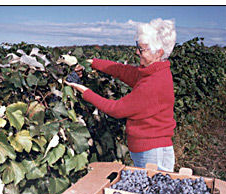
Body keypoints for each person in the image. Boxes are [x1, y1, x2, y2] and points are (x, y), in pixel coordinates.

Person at [66, 18, 177, 171]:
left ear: (159, 52)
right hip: (147, 150)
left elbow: (116, 109)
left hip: (153, 154)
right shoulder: (152, 72)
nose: (137, 52)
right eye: (138, 47)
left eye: (142, 49)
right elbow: (122, 71)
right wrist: (92, 62)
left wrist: (85, 92)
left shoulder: (154, 84)